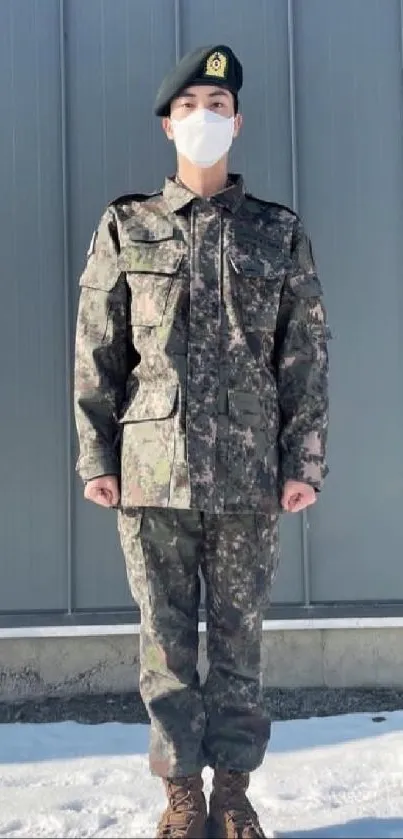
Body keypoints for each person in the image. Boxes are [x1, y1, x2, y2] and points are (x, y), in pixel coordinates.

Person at [74, 43, 330, 839]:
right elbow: (97, 350)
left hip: (252, 473)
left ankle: (233, 797)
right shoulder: (128, 224)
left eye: (217, 108)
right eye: (189, 108)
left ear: (238, 122)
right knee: (165, 645)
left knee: (239, 642)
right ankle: (182, 796)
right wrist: (95, 456)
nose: (204, 120)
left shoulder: (275, 232)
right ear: (166, 126)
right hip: (150, 474)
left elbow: (304, 354)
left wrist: (303, 460)